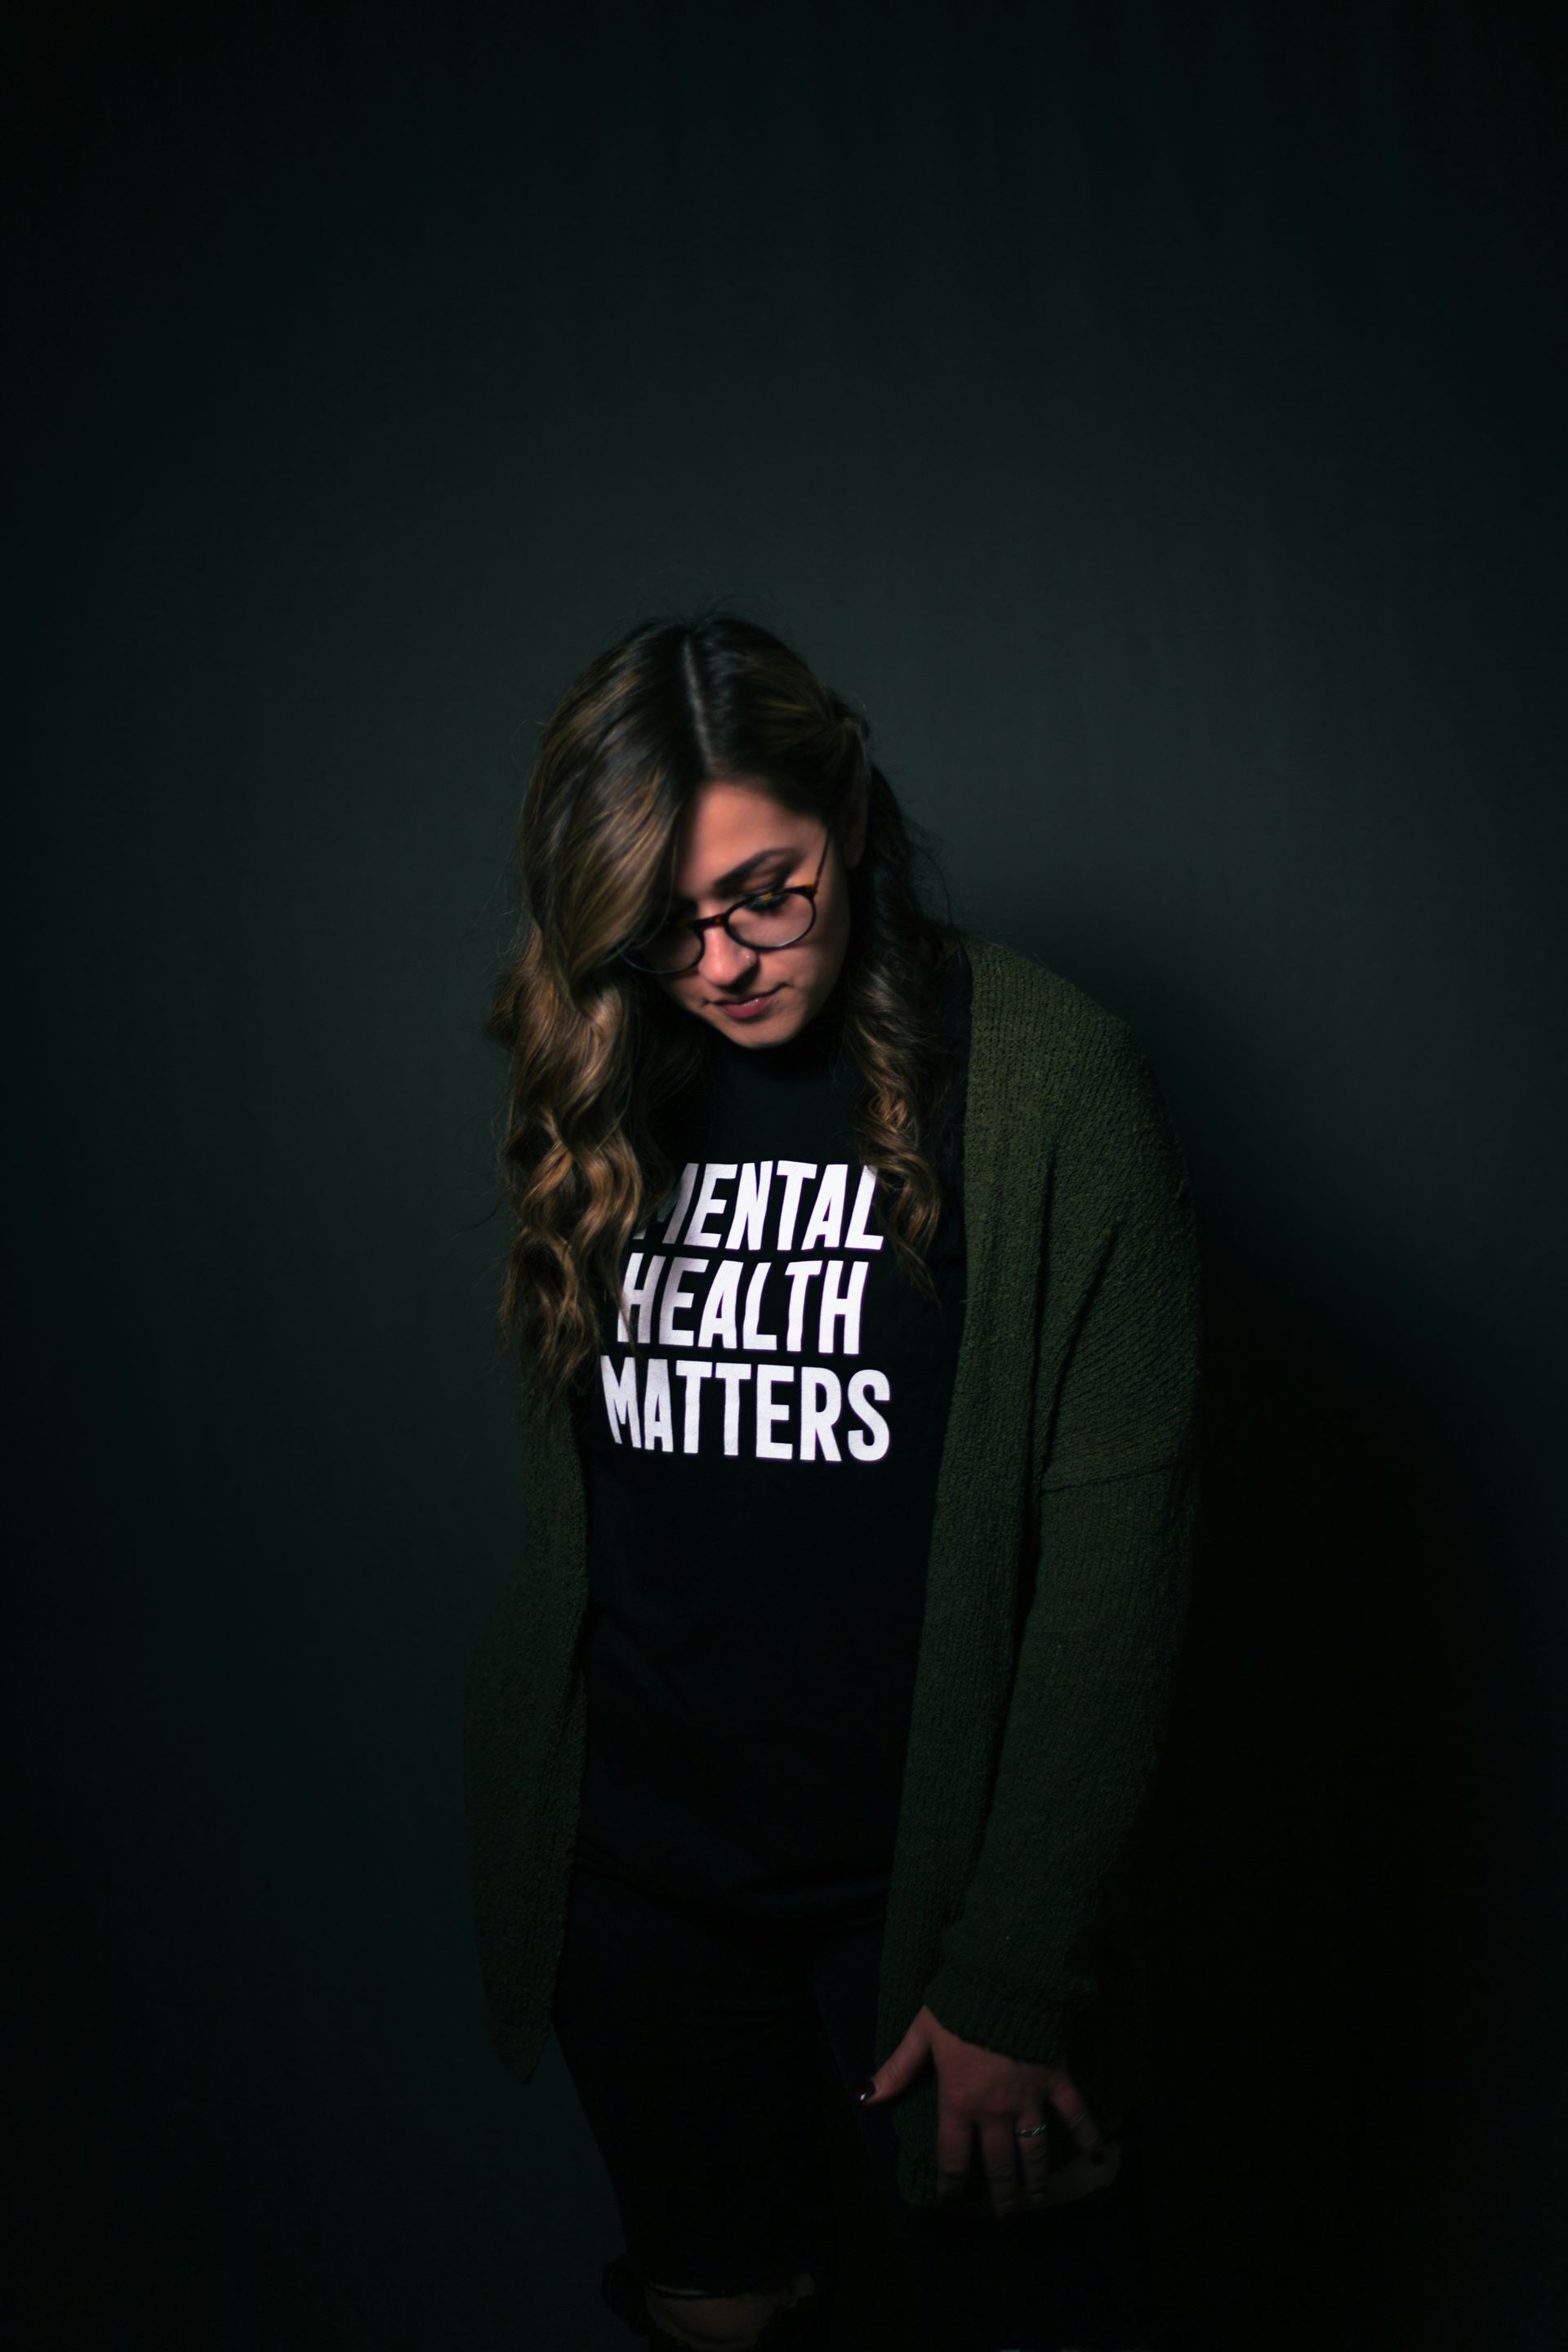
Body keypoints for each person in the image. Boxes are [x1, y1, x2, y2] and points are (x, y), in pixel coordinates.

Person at [463, 612, 1204, 2352]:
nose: (718, 962)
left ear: (849, 813)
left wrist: (1012, 1968)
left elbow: (1123, 1550)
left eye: (763, 892)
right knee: (718, 2310)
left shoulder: (1047, 1084)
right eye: (658, 928)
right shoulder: (606, 1065)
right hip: (643, 1889)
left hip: (922, 1901)